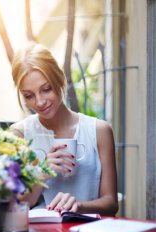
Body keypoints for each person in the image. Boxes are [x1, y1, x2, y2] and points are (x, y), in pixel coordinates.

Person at [10, 43, 118, 216]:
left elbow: (111, 203)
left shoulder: (99, 131)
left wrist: (78, 206)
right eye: (29, 96)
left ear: (59, 79)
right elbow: (17, 205)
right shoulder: (19, 134)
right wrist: (42, 173)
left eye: (46, 89)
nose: (39, 102)